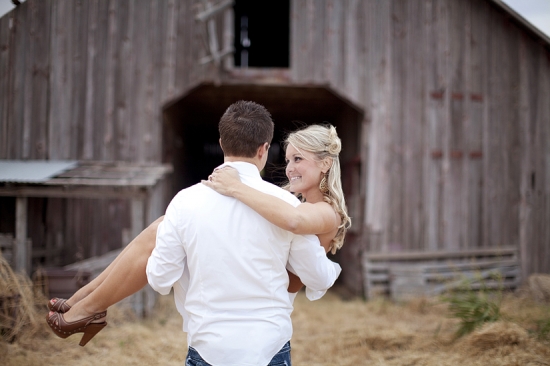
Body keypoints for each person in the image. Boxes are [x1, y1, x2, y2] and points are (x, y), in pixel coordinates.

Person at [46, 101, 349, 361]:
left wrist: (233, 190)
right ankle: (84, 300)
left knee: (163, 228)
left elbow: (161, 279)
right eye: (288, 159)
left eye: (298, 159)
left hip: (210, 342)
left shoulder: (307, 211)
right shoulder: (285, 203)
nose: (290, 168)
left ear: (221, 143)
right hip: (266, 343)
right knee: (160, 228)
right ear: (264, 149)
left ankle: (87, 305)